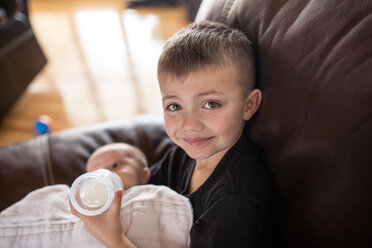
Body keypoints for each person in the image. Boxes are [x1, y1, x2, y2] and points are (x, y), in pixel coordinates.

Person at [74, 21, 278, 247]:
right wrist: (112, 177)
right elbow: (145, 183)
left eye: (211, 104)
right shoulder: (183, 155)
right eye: (174, 106)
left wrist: (110, 237)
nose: (189, 125)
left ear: (249, 105)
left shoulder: (236, 201)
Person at [0, 143, 192, 248]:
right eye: (92, 172)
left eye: (115, 165)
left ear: (144, 174)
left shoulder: (151, 195)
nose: (105, 174)